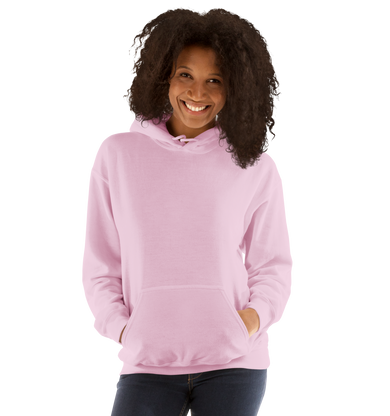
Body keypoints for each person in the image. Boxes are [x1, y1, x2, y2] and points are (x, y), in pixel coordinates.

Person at [79, 4, 294, 416]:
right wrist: (122, 329)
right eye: (185, 75)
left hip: (236, 364)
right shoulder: (117, 153)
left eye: (214, 80)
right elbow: (100, 263)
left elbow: (273, 265)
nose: (197, 94)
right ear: (163, 75)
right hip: (145, 363)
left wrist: (249, 323)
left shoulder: (255, 164)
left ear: (236, 87)